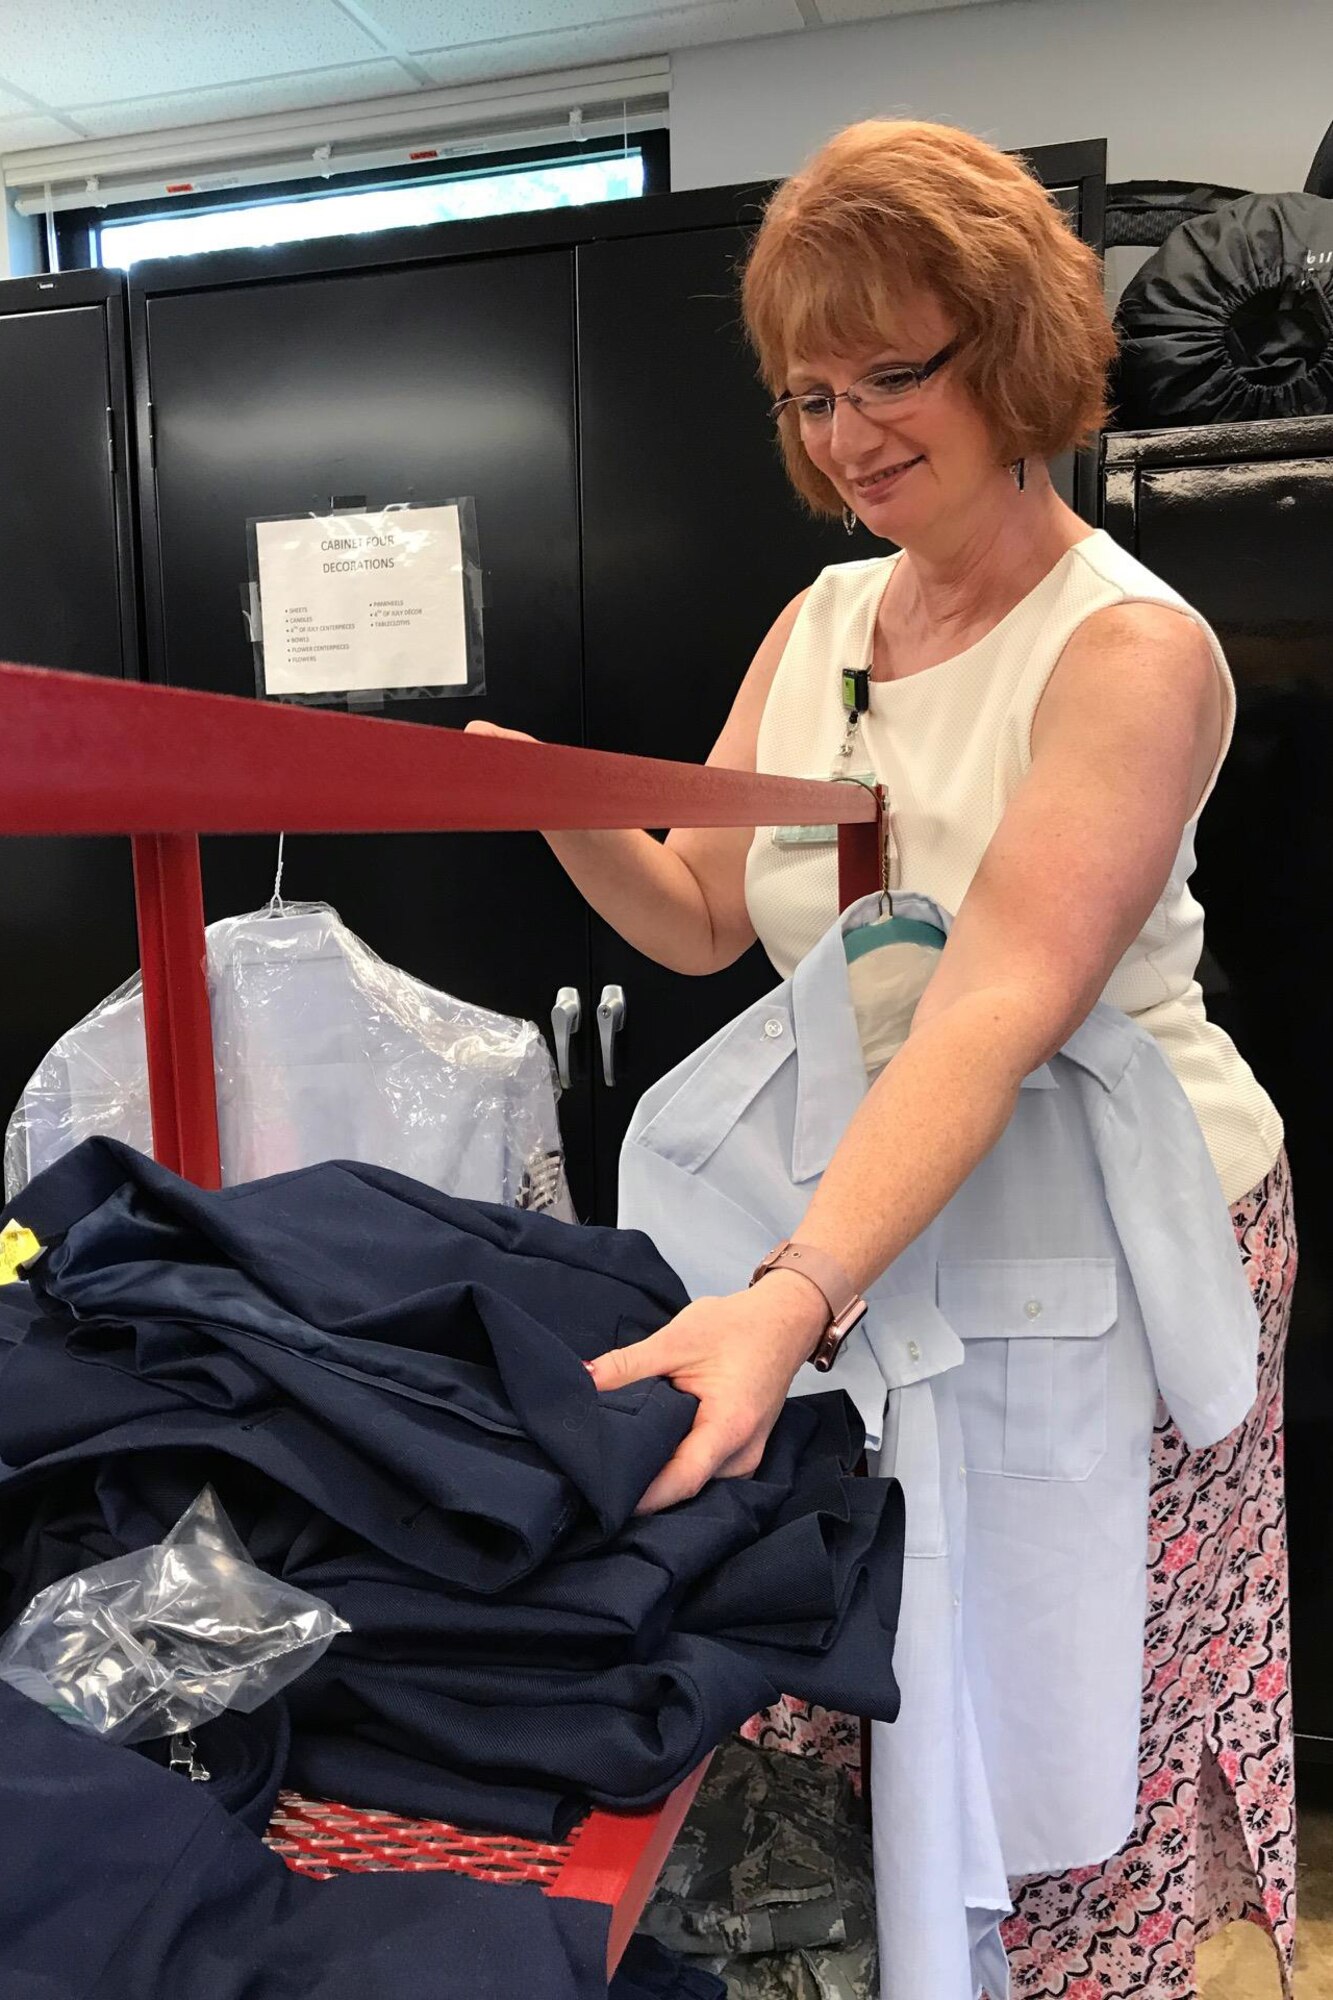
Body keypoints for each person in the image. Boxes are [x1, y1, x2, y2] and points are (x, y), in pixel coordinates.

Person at [468, 120, 1294, 2000]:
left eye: (890, 376)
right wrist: (550, 800)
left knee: (1070, 1683)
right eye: (808, 395)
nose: (846, 435)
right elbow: (702, 910)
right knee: (897, 1674)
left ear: (1012, 352)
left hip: (1108, 1231)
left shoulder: (1126, 650)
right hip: (887, 1216)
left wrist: (792, 1291)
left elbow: (994, 999)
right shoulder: (826, 619)